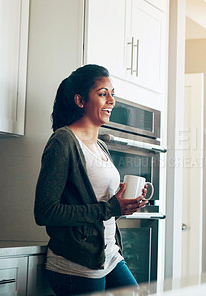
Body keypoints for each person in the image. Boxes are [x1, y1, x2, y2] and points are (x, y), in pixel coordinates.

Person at [34, 64, 148, 295]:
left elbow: (102, 208)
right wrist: (109, 208)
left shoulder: (101, 146)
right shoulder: (62, 142)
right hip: (77, 265)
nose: (111, 101)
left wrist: (122, 206)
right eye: (103, 94)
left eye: (112, 95)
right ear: (80, 100)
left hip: (109, 256)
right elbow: (45, 212)